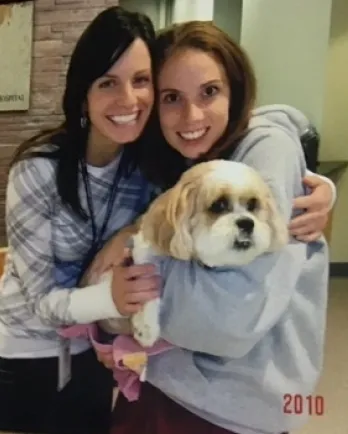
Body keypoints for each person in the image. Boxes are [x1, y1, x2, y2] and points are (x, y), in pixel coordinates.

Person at [93, 21, 331, 434]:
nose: (192, 116)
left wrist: (133, 283)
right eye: (171, 98)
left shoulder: (267, 148)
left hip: (234, 405)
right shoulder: (173, 159)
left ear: (235, 89)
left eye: (210, 91)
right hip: (166, 380)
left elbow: (232, 319)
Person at [0, 7, 160, 434]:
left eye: (141, 80)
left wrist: (130, 230)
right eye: (108, 82)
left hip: (93, 350)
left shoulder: (148, 171)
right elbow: (41, 302)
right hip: (24, 354)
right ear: (84, 94)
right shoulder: (37, 171)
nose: (129, 100)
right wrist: (113, 300)